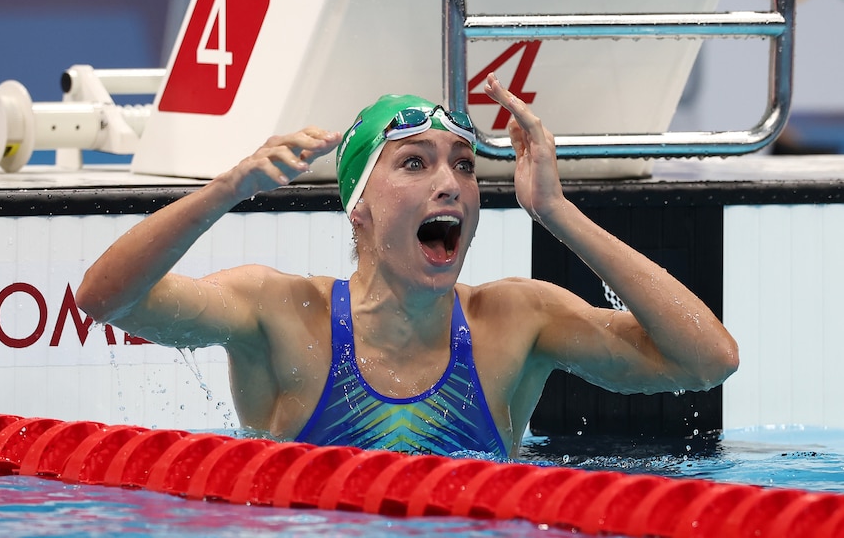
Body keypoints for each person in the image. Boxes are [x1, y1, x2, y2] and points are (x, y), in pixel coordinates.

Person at [76, 73, 738, 458]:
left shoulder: (516, 321)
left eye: (464, 164)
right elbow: (106, 298)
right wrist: (226, 188)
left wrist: (559, 213)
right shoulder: (281, 315)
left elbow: (708, 359)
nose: (449, 182)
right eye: (415, 162)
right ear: (358, 207)